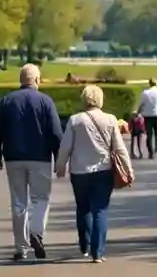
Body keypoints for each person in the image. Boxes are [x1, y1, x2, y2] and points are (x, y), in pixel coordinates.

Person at [54, 84, 130, 263]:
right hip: (103, 170)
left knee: (83, 208)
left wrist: (60, 165)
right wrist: (128, 169)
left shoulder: (75, 120)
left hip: (79, 171)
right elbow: (119, 148)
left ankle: (84, 244)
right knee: (100, 209)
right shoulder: (110, 119)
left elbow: (66, 146)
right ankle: (98, 251)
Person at [0, 63, 63, 261]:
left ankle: (21, 247)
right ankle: (36, 231)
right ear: (36, 80)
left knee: (18, 202)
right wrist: (60, 158)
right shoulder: (45, 101)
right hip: (40, 157)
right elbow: (55, 133)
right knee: (41, 198)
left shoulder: (6, 101)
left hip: (13, 157)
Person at [137, 79, 157, 159]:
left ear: (149, 83)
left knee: (149, 134)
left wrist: (138, 112)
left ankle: (151, 151)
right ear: (156, 84)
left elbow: (141, 104)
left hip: (148, 115)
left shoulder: (145, 93)